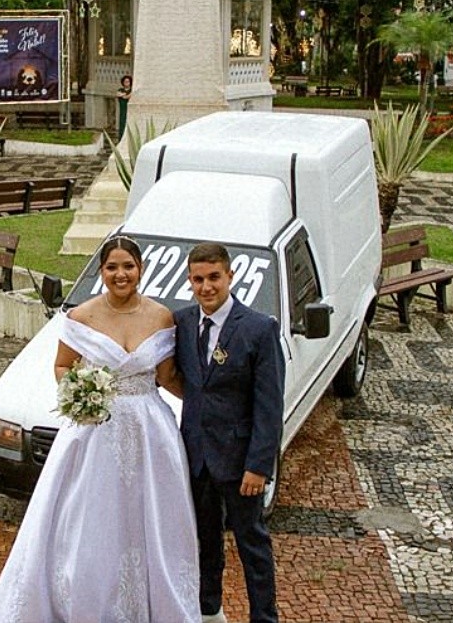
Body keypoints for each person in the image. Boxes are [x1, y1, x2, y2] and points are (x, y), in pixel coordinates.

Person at [0, 235, 198, 623]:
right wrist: (81, 393)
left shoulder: (162, 317)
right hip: (95, 431)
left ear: (141, 270)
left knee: (150, 515)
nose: (121, 274)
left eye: (128, 266)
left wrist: (213, 404)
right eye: (112, 267)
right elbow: (62, 367)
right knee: (90, 516)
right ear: (101, 271)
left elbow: (167, 376)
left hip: (150, 432)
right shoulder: (81, 316)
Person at [174, 243, 284, 623]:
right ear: (190, 281)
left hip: (240, 462)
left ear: (230, 276)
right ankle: (208, 611)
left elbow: (269, 406)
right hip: (197, 457)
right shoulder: (183, 323)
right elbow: (186, 382)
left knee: (252, 544)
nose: (206, 287)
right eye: (198, 279)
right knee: (205, 541)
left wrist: (259, 465)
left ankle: (265, 618)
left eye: (214, 277)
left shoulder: (258, 328)